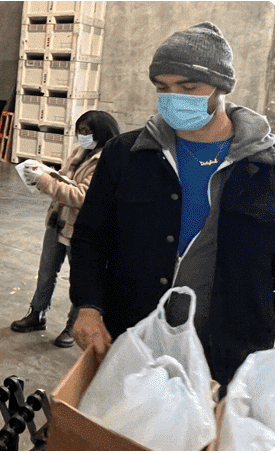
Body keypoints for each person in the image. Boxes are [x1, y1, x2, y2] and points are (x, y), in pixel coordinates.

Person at [69, 22, 274, 391]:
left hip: (225, 361)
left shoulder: (266, 171)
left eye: (189, 87)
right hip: (130, 339)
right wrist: (87, 305)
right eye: (162, 88)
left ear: (223, 87)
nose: (174, 98)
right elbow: (89, 237)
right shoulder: (126, 155)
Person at [11, 111, 120, 348]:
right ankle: (36, 314)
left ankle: (72, 325)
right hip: (57, 220)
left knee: (80, 279)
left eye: (86, 131)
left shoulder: (106, 160)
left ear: (100, 132)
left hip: (81, 228)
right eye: (79, 130)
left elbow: (82, 196)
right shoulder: (79, 152)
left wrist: (45, 182)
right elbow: (65, 178)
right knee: (46, 271)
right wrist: (44, 172)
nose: (81, 136)